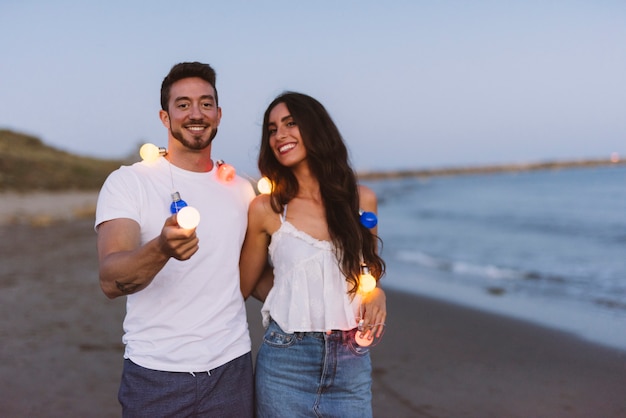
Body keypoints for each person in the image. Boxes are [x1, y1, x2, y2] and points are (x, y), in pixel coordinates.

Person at [95, 62, 255, 417]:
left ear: (219, 114)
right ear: (165, 118)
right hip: (155, 374)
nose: (195, 113)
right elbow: (110, 279)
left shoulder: (242, 190)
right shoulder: (129, 183)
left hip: (232, 371)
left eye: (206, 103)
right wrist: (162, 248)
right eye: (183, 105)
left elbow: (254, 274)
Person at [239, 92, 387, 417]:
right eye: (272, 129)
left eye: (290, 124)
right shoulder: (267, 208)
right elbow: (245, 283)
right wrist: (292, 297)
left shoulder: (361, 201)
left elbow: (365, 270)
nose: (280, 135)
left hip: (351, 364)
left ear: (316, 128)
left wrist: (376, 290)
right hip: (285, 363)